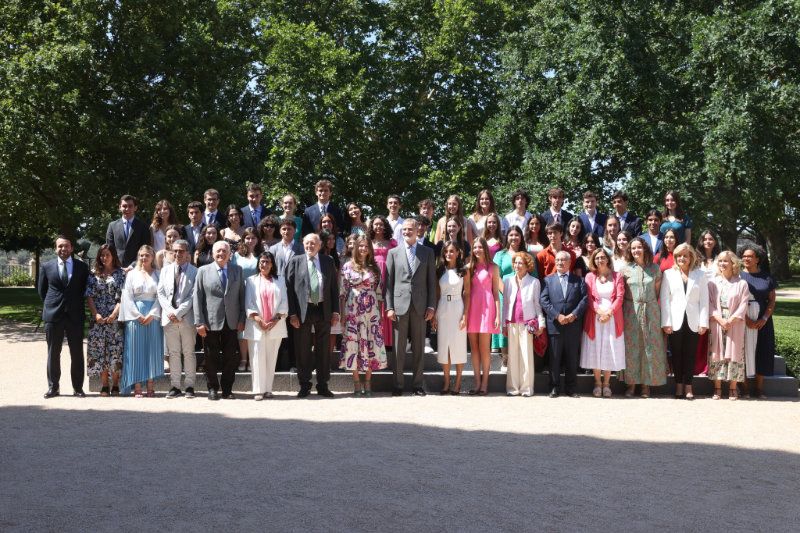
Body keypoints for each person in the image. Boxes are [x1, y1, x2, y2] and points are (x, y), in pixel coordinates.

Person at [384, 218, 437, 396]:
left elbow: (431, 282)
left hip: (421, 306)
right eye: (404, 229)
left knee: (419, 348)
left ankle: (417, 385)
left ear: (417, 230)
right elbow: (388, 283)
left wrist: (431, 306)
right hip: (399, 306)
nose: (406, 232)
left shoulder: (428, 252)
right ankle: (397, 385)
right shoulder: (393, 253)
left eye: (410, 229)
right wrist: (389, 307)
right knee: (398, 349)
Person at [286, 233, 340, 397]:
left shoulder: (328, 261)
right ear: (303, 244)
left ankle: (323, 384)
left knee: (323, 349)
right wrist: (292, 313)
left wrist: (335, 311)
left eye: (313, 243)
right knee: (302, 348)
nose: (310, 246)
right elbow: (289, 289)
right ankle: (304, 384)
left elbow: (333, 288)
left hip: (323, 308)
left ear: (320, 245)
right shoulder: (295, 261)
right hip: (303, 310)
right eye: (307, 243)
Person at [193, 241, 246, 400]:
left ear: (230, 254)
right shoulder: (202, 271)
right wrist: (199, 322)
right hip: (210, 321)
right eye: (218, 251)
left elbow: (242, 297)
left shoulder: (237, 270)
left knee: (231, 357)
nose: (221, 254)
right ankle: (212, 388)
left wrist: (242, 318)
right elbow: (197, 297)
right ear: (212, 253)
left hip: (232, 321)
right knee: (210, 357)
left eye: (224, 251)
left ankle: (227, 389)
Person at [39, 235, 90, 398]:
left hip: (75, 315)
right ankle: (54, 388)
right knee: (53, 352)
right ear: (56, 248)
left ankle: (78, 388)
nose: (63, 249)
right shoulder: (47, 267)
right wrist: (53, 304)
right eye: (60, 246)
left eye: (66, 246)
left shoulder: (82, 267)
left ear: (71, 248)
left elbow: (84, 290)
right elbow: (42, 291)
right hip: (54, 315)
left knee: (77, 353)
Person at [339, 236, 388, 396]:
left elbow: (379, 293)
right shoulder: (347, 266)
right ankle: (356, 383)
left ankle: (368, 382)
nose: (363, 249)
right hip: (352, 310)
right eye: (360, 246)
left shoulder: (374, 268)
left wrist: (379, 314)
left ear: (369, 249)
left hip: (371, 311)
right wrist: (342, 314)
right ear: (355, 248)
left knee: (370, 344)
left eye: (366, 246)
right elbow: (342, 292)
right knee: (353, 344)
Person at [660, 243, 709, 400]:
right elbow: (665, 299)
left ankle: (688, 385)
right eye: (679, 255)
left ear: (691, 257)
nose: (682, 258)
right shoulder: (668, 274)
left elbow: (704, 301)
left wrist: (704, 323)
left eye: (685, 255)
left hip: (694, 320)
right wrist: (666, 322)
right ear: (675, 257)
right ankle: (678, 385)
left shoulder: (700, 275)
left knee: (690, 354)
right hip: (675, 320)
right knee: (676, 354)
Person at [621, 237, 667, 398]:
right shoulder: (625, 269)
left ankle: (647, 385)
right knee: (632, 347)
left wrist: (649, 304)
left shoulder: (654, 269)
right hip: (631, 311)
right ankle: (632, 384)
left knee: (650, 346)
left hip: (650, 309)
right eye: (633, 248)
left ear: (645, 248)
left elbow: (656, 291)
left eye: (639, 247)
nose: (636, 251)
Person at [540, 251, 588, 397]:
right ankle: (554, 387)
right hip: (555, 325)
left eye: (563, 260)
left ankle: (571, 388)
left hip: (573, 325)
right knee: (554, 358)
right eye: (558, 260)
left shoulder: (578, 280)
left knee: (572, 358)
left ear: (569, 262)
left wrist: (574, 315)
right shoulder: (548, 280)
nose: (560, 262)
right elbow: (544, 300)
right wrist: (557, 316)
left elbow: (584, 299)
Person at [118, 245, 163, 397]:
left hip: (153, 316)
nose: (144, 258)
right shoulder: (131, 274)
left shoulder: (158, 274)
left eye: (147, 255)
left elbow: (161, 296)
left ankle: (150, 384)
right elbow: (127, 296)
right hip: (135, 316)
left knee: (151, 349)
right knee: (135, 350)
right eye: (141, 255)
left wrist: (152, 313)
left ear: (152, 257)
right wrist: (137, 315)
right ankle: (137, 385)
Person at [580, 248, 625, 398]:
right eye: (597, 258)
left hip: (612, 317)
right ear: (593, 260)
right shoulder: (589, 277)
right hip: (595, 318)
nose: (600, 260)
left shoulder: (617, 276)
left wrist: (609, 313)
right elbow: (589, 298)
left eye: (602, 257)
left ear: (608, 259)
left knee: (608, 348)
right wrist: (600, 312)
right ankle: (597, 383)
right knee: (596, 349)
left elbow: (620, 296)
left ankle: (607, 383)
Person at [157, 239, 198, 399]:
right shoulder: (165, 270)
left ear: (187, 253)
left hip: (186, 318)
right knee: (173, 353)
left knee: (188, 352)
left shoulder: (195, 272)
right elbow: (160, 293)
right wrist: (170, 312)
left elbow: (192, 295)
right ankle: (175, 385)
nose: (178, 254)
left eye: (181, 251)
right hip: (169, 319)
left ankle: (189, 385)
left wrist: (178, 313)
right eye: (175, 251)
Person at [244, 252, 288, 400]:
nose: (264, 264)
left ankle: (268, 389)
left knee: (271, 357)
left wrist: (274, 320)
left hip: (275, 324)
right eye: (262, 261)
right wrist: (258, 320)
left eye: (268, 262)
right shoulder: (250, 281)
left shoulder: (280, 280)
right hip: (256, 324)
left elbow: (284, 302)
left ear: (272, 264)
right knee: (257, 358)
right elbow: (248, 302)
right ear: (258, 264)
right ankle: (258, 390)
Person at [708, 251, 750, 400]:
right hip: (717, 321)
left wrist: (730, 320)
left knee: (734, 353)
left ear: (733, 263)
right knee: (716, 353)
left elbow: (744, 304)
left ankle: (733, 388)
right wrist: (720, 320)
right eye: (720, 261)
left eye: (726, 261)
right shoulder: (713, 282)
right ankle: (717, 388)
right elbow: (710, 304)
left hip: (735, 323)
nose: (722, 264)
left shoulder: (742, 283)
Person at [502, 251, 545, 397]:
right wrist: (503, 324)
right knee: (512, 357)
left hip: (528, 324)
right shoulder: (507, 281)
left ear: (527, 266)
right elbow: (506, 305)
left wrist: (541, 323)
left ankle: (527, 388)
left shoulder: (534, 282)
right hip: (511, 323)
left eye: (520, 263)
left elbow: (537, 305)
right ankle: (512, 388)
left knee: (526, 357)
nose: (517, 265)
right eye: (515, 262)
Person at [85, 244, 124, 397]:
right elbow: (89, 296)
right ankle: (104, 385)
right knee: (99, 351)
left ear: (113, 255)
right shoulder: (94, 274)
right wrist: (96, 314)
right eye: (102, 255)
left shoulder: (120, 274)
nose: (104, 258)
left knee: (115, 351)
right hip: (98, 320)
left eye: (107, 255)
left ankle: (115, 384)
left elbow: (123, 296)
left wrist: (114, 314)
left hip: (115, 319)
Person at [740, 244, 777, 399]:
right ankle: (745, 388)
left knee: (763, 351)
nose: (746, 258)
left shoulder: (767, 277)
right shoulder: (738, 276)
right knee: (743, 351)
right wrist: (746, 319)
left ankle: (759, 388)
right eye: (744, 256)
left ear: (757, 259)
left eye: (750, 256)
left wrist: (764, 318)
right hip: (742, 319)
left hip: (763, 322)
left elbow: (772, 300)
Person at [433, 241, 470, 395]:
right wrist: (434, 314)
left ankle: (458, 383)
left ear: (457, 253)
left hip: (457, 306)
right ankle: (446, 382)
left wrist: (465, 315)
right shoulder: (439, 270)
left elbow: (467, 293)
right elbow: (436, 293)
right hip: (443, 307)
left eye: (452, 251)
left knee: (459, 346)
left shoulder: (463, 271)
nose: (449, 254)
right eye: (446, 251)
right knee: (444, 346)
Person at [466, 238, 502, 395]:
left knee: (484, 349)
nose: (477, 250)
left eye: (480, 247)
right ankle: (477, 382)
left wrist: (498, 315)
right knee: (474, 349)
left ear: (485, 248)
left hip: (487, 310)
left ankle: (485, 384)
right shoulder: (469, 267)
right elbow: (466, 292)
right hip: (472, 309)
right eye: (475, 247)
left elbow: (496, 293)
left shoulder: (493, 267)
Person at [492, 226, 526, 367]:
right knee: (505, 325)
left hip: (522, 295)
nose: (514, 238)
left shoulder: (525, 254)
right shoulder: (500, 255)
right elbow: (496, 275)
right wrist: (506, 292)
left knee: (519, 325)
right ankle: (505, 360)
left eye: (517, 235)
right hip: (503, 294)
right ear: (507, 237)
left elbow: (533, 275)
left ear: (521, 237)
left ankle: (519, 360)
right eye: (511, 235)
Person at [233, 227, 261, 371]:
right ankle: (244, 359)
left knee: (255, 327)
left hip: (257, 295)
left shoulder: (261, 255)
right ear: (243, 239)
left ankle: (253, 359)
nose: (250, 241)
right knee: (242, 328)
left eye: (253, 238)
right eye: (247, 238)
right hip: (240, 295)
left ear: (258, 239)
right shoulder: (237, 256)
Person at [694, 229, 721, 376]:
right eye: (705, 239)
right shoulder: (697, 259)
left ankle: (715, 366)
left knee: (715, 334)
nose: (708, 242)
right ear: (701, 242)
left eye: (711, 239)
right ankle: (700, 366)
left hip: (717, 297)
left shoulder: (720, 258)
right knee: (702, 333)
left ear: (715, 241)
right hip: (700, 298)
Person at [369, 215, 397, 351]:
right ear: (372, 226)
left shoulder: (392, 243)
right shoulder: (368, 242)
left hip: (389, 275)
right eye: (376, 224)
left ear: (385, 226)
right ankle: (375, 339)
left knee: (387, 306)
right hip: (372, 277)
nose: (378, 227)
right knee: (375, 306)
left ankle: (388, 342)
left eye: (381, 224)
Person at [106, 194, 152, 271]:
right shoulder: (112, 226)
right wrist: (117, 266)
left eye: (130, 206)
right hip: (116, 269)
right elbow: (109, 249)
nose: (127, 209)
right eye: (124, 206)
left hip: (137, 268)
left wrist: (132, 266)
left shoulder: (143, 226)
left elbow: (145, 249)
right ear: (120, 207)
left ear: (135, 208)